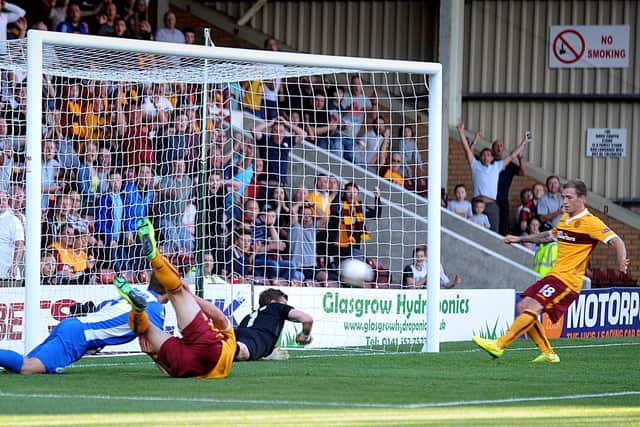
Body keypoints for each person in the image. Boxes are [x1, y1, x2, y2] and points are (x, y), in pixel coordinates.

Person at [472, 180, 628, 363]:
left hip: (569, 280)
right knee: (523, 306)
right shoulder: (565, 219)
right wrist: (518, 239)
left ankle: (499, 345)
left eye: (569, 197)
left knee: (532, 307)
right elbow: (547, 236)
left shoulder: (590, 222)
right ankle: (548, 353)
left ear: (582, 199)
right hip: (555, 276)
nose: (565, 201)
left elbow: (617, 241)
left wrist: (621, 260)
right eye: (563, 197)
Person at [116, 218, 236, 379]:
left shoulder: (230, 343)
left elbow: (219, 317)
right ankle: (154, 262)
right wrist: (189, 295)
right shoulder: (230, 345)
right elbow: (170, 371)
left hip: (195, 357)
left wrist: (152, 354)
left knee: (149, 322)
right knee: (171, 299)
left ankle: (139, 306)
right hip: (206, 357)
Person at [0, 275, 168, 374]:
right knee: (27, 367)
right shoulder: (156, 311)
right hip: (79, 337)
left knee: (21, 366)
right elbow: (155, 350)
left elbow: (104, 307)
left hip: (74, 324)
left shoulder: (137, 293)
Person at [457, 121, 528, 233]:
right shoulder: (475, 165)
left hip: (492, 205)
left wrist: (524, 143)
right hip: (477, 204)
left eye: (488, 155)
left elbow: (512, 156)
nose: (486, 157)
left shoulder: (497, 167)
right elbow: (467, 149)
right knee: (473, 232)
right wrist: (461, 132)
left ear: (492, 158)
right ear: (480, 158)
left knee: (495, 232)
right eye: (483, 155)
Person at [235, 288, 313, 361]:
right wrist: (305, 336)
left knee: (236, 349)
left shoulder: (250, 316)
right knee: (243, 352)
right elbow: (307, 319)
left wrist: (269, 354)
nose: (286, 307)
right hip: (253, 340)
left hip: (239, 336)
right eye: (284, 304)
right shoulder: (275, 307)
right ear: (273, 303)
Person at [0, 189, 24, 281]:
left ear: (8, 201)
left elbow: (20, 244)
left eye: (4, 200)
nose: (1, 202)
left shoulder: (13, 221)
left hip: (7, 274)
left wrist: (14, 265)